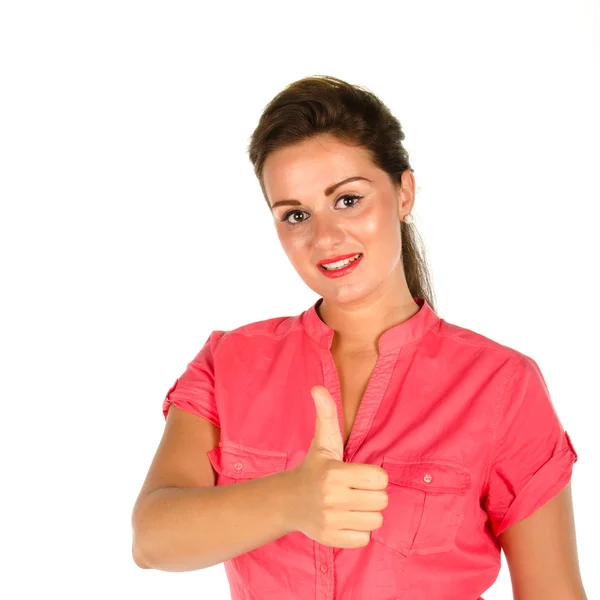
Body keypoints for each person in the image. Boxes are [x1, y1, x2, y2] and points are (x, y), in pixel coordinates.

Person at [131, 75, 586, 599]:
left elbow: (553, 591)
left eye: (347, 200)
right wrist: (291, 500)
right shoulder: (229, 361)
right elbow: (152, 538)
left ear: (404, 193)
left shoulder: (502, 385)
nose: (324, 237)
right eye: (295, 215)